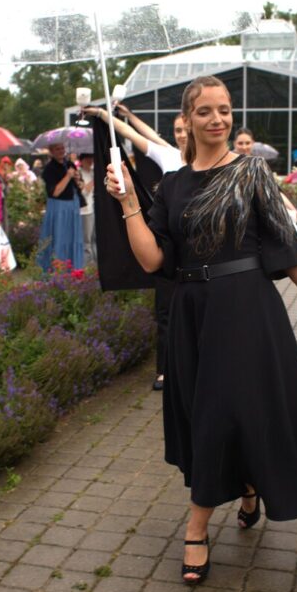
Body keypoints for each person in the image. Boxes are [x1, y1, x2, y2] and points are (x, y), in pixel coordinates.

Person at [105, 75, 297, 585]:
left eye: (224, 109)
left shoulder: (251, 172)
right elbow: (153, 259)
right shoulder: (172, 185)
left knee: (222, 411)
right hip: (192, 314)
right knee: (210, 412)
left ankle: (196, 528)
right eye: (205, 111)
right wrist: (129, 201)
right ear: (187, 120)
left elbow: (287, 246)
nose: (217, 119)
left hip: (246, 309)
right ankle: (247, 485)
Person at [90, 104, 186, 391]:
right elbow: (135, 135)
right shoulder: (169, 155)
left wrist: (130, 116)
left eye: (185, 129)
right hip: (171, 244)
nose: (182, 134)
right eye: (178, 130)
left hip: (199, 247)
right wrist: (105, 116)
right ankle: (164, 369)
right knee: (166, 308)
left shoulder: (211, 161)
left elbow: (148, 134)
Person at [37, 142, 84, 272]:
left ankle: (74, 267)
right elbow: (55, 192)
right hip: (59, 207)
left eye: (62, 148)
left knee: (73, 237)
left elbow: (80, 187)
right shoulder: (49, 169)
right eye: (57, 149)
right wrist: (68, 176)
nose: (61, 151)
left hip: (73, 205)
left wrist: (77, 179)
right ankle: (58, 268)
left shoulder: (69, 164)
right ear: (51, 151)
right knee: (60, 237)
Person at [77, 152, 97, 266]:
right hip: (85, 210)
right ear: (82, 160)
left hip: (94, 208)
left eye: (91, 158)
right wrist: (94, 180)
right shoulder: (79, 173)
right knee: (87, 240)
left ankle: (95, 261)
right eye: (87, 158)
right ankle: (88, 264)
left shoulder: (93, 172)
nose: (90, 161)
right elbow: (84, 192)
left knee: (94, 238)